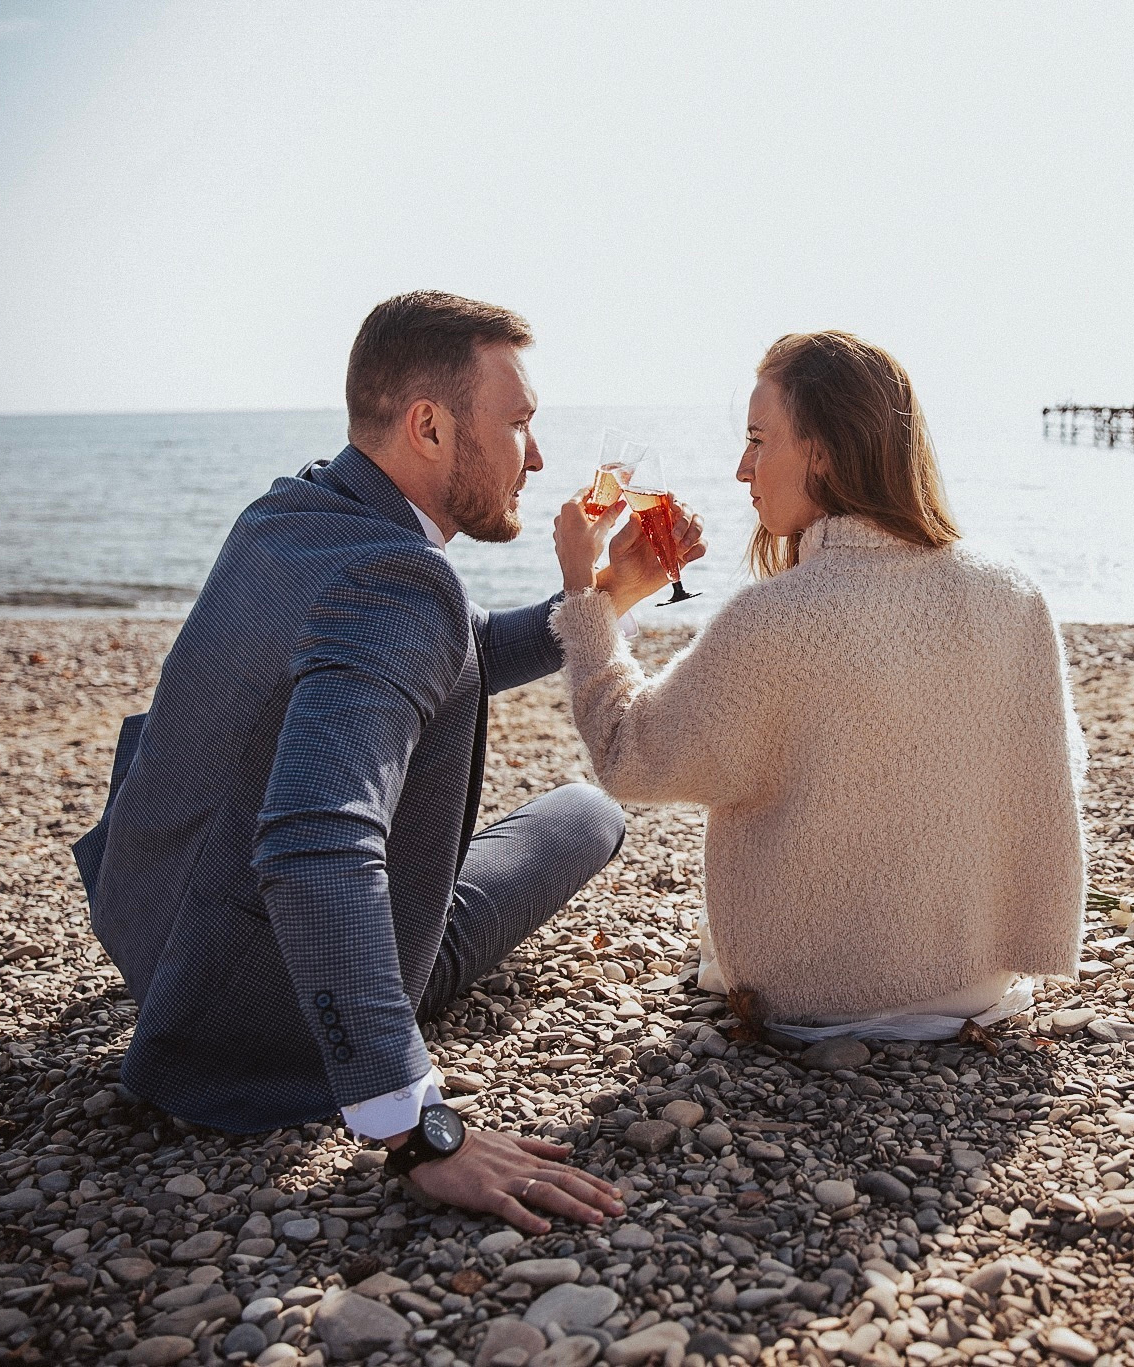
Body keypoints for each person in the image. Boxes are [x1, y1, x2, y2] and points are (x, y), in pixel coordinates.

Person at [74, 291, 700, 1231]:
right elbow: (313, 844)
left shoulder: (292, 513)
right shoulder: (401, 581)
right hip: (263, 1013)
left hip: (160, 933)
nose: (536, 456)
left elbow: (459, 650)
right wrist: (414, 1126)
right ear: (429, 425)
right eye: (519, 424)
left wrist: (607, 594)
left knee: (567, 811)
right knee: (589, 812)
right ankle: (372, 1024)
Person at [548, 331, 1085, 1040]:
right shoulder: (1013, 590)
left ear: (824, 451)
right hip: (976, 979)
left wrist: (588, 595)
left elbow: (628, 755)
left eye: (757, 439)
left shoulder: (776, 619)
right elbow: (1048, 772)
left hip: (814, 991)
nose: (742, 468)